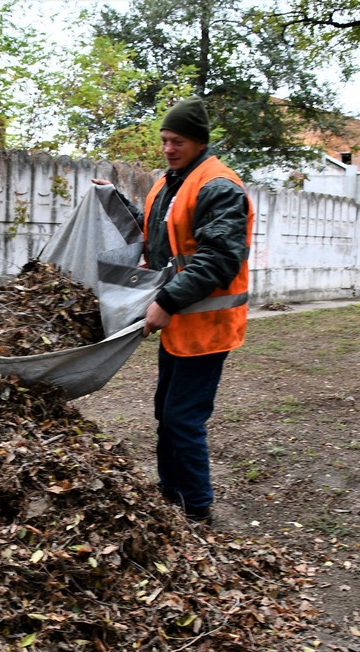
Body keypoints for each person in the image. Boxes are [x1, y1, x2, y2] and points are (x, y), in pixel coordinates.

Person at [93, 96, 253, 523]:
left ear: (199, 142)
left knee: (183, 418)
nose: (167, 147)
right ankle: (170, 495)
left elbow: (219, 259)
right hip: (181, 324)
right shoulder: (171, 184)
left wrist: (165, 301)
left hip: (207, 326)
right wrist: (113, 201)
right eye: (164, 139)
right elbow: (154, 237)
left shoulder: (218, 187)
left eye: (177, 140)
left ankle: (197, 508)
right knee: (166, 412)